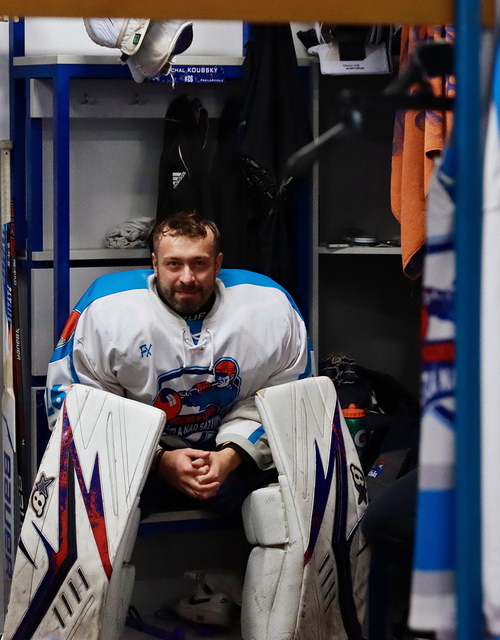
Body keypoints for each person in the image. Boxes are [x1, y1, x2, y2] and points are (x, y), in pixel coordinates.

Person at [45, 211, 311, 522]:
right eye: (174, 264)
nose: (187, 278)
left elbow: (289, 399)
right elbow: (73, 406)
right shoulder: (106, 310)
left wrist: (230, 456)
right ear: (155, 263)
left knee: (294, 493)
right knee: (84, 497)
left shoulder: (270, 305)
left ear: (218, 264)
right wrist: (158, 459)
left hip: (231, 460)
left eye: (199, 263)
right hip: (135, 460)